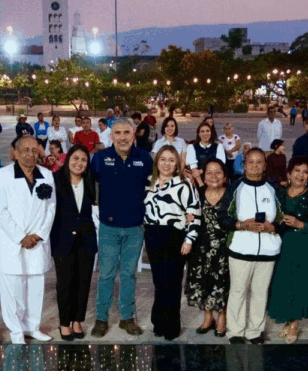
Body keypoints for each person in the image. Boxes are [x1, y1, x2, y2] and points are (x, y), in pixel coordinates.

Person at [90, 118, 153, 338]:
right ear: (111, 136)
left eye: (127, 132)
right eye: (118, 133)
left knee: (128, 276)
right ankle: (101, 318)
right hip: (109, 227)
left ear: (134, 133)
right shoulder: (100, 158)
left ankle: (127, 318)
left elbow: (156, 184)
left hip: (135, 228)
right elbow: (87, 183)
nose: (123, 137)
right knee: (106, 275)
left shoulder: (144, 158)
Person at [0, 135, 56, 344]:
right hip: (14, 241)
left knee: (36, 286)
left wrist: (38, 234)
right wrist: (21, 237)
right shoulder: (2, 176)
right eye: (25, 150)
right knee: (13, 288)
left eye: (33, 150)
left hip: (37, 240)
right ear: (16, 153)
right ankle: (17, 331)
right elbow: (0, 211)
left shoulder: (46, 174)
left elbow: (51, 208)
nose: (30, 154)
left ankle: (33, 327)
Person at [218, 147, 282, 344]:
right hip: (241, 250)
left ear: (264, 165)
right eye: (251, 162)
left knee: (260, 293)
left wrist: (274, 227)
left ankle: (255, 331)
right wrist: (241, 225)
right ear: (244, 164)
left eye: (259, 162)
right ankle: (235, 331)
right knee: (238, 291)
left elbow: (282, 217)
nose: (255, 165)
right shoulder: (235, 188)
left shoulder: (273, 189)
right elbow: (222, 217)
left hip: (268, 250)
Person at [144, 145, 200, 340]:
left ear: (177, 163)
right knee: (159, 282)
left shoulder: (184, 184)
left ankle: (172, 326)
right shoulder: (149, 183)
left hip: (175, 236)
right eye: (163, 159)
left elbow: (194, 213)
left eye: (171, 160)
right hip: (153, 236)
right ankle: (158, 322)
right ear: (157, 161)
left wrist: (189, 239)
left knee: (173, 282)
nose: (166, 164)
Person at [267, 156, 308, 344]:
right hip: (281, 244)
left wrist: (300, 224)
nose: (301, 175)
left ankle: (294, 324)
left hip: (303, 244)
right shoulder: (279, 194)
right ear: (289, 173)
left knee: (298, 283)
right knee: (284, 281)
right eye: (297, 171)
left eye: (305, 172)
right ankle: (288, 320)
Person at [51, 145, 98, 340]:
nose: (79, 163)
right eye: (75, 158)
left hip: (86, 240)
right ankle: (64, 323)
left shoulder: (89, 182)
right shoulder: (55, 181)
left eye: (83, 160)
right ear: (67, 159)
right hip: (63, 240)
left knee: (83, 282)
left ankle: (78, 320)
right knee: (65, 283)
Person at [185, 159, 230, 338]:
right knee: (203, 281)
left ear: (225, 176)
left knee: (223, 283)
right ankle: (208, 316)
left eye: (218, 172)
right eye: (209, 173)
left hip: (224, 247)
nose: (213, 176)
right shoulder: (199, 193)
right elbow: (190, 213)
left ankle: (222, 316)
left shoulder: (231, 195)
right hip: (201, 247)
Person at [186, 122, 225, 186]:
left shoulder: (218, 147)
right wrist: (201, 184)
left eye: (207, 131)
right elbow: (194, 169)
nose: (205, 133)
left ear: (211, 133)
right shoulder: (192, 147)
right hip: (199, 181)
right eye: (202, 131)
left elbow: (220, 164)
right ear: (199, 134)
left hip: (215, 180)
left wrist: (201, 171)